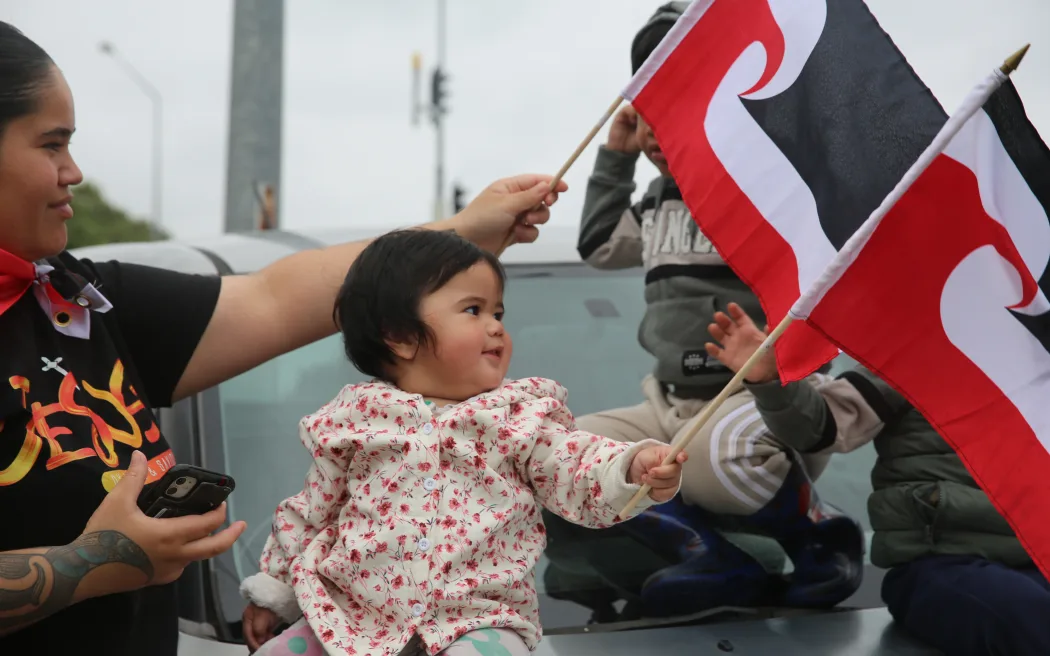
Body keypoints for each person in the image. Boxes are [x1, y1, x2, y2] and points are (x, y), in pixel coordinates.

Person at [0, 21, 567, 656]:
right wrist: (92, 562)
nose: (72, 171)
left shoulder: (78, 299)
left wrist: (459, 238)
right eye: (51, 145)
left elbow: (274, 299)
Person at [237, 229, 687, 656]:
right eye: (474, 310)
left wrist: (631, 469)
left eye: (498, 313)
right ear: (400, 336)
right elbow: (311, 510)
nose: (495, 326)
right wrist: (276, 588)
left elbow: (575, 464)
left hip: (479, 621)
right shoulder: (355, 420)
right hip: (353, 620)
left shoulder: (519, 416)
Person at [561, 1, 863, 614]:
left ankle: (818, 534)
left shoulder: (771, 185)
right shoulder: (657, 200)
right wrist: (616, 157)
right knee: (559, 453)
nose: (655, 126)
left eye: (682, 98)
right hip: (668, 403)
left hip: (758, 404)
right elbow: (597, 244)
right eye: (649, 108)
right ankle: (706, 554)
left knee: (713, 463)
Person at [705, 302, 1050, 655]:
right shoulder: (920, 346)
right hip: (942, 563)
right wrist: (770, 381)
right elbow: (822, 426)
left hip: (1039, 561)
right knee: (1032, 618)